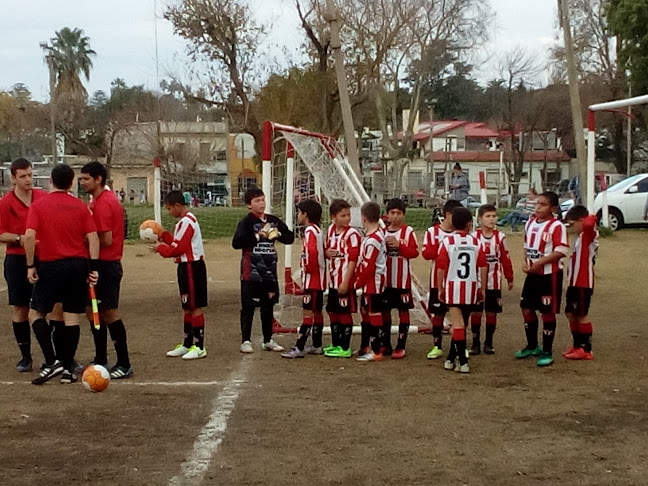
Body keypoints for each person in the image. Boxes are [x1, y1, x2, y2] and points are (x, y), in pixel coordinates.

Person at [25, 164, 100, 385]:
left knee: (35, 314)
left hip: (51, 265)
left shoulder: (39, 206)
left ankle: (52, 361)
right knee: (71, 317)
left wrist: (31, 265)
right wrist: (93, 267)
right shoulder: (80, 206)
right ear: (71, 183)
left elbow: (29, 237)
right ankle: (68, 370)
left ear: (51, 181)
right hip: (77, 266)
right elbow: (93, 238)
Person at [79, 161, 132, 378]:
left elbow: (106, 239)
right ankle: (101, 358)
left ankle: (124, 362)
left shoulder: (104, 203)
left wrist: (82, 238)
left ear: (98, 179)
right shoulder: (98, 201)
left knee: (109, 312)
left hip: (106, 265)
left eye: (86, 179)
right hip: (98, 264)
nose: (82, 182)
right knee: (93, 312)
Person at [232, 187, 294, 353]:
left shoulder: (273, 220)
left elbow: (290, 238)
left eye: (262, 199)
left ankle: (268, 340)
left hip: (269, 273)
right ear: (249, 205)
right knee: (248, 307)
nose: (261, 203)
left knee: (268, 307)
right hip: (250, 273)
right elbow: (236, 242)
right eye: (257, 201)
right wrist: (259, 236)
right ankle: (245, 340)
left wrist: (277, 233)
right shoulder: (247, 222)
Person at [0, 158, 47, 372]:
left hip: (44, 258)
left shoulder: (42, 197)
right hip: (17, 259)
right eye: (23, 176)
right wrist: (21, 239)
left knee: (51, 307)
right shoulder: (5, 203)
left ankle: (56, 355)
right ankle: (25, 356)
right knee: (21, 308)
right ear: (13, 178)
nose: (28, 180)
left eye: (30, 174)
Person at [515, 191, 569, 367]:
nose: (538, 207)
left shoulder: (557, 226)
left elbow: (561, 251)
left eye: (543, 204)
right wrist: (525, 262)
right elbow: (526, 246)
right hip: (533, 274)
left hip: (549, 275)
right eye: (537, 203)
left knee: (547, 312)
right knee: (526, 309)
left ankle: (547, 350)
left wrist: (540, 262)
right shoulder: (530, 222)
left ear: (552, 208)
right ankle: (532, 346)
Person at [153, 190, 208, 360]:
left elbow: (179, 249)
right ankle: (187, 343)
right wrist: (163, 235)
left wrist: (160, 248)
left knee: (195, 306)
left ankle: (199, 346)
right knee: (187, 306)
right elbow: (176, 243)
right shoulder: (181, 223)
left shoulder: (188, 222)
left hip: (192, 267)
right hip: (184, 267)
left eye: (170, 209)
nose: (169, 212)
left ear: (178, 206)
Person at [436, 207, 487, 373]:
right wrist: (482, 288)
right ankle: (451, 358)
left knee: (457, 324)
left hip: (453, 287)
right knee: (462, 325)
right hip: (471, 287)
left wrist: (440, 287)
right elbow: (483, 267)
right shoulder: (476, 242)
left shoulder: (447, 242)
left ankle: (463, 362)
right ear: (469, 223)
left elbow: (441, 268)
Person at [282, 199, 326, 358]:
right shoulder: (318, 230)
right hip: (319, 280)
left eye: (299, 212)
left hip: (312, 279)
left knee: (307, 314)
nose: (297, 215)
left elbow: (312, 253)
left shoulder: (309, 232)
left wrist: (307, 268)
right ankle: (317, 344)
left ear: (305, 214)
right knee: (317, 312)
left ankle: (299, 347)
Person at [469, 204, 514, 355]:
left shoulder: (500, 237)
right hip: (476, 283)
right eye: (488, 216)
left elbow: (505, 258)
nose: (492, 219)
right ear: (480, 219)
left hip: (493, 282)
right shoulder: (473, 237)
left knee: (491, 312)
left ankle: (489, 342)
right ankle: (475, 343)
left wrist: (509, 277)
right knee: (476, 313)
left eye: (494, 216)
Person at [422, 199, 463, 359]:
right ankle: (437, 346)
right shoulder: (432, 232)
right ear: (448, 214)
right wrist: (444, 249)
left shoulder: (461, 234)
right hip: (437, 282)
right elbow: (426, 254)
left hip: (457, 283)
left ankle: (458, 347)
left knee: (458, 316)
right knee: (437, 315)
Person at [323, 199, 361, 358]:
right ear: (334, 217)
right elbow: (327, 250)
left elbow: (353, 259)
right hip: (332, 280)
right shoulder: (331, 230)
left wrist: (346, 281)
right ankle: (336, 343)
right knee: (332, 311)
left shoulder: (352, 234)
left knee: (344, 313)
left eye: (348, 215)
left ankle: (345, 347)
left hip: (344, 281)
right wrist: (326, 253)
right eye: (343, 215)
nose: (347, 219)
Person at [381, 198, 419, 359]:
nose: (395, 216)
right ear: (387, 215)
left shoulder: (408, 231)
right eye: (392, 213)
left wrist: (399, 246)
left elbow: (414, 253)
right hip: (385, 281)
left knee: (403, 311)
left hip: (402, 280)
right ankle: (386, 344)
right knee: (385, 312)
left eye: (399, 213)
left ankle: (401, 346)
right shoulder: (382, 232)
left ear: (403, 215)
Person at [563, 206, 598, 360]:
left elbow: (590, 224)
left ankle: (586, 349)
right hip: (574, 281)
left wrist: (590, 216)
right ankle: (577, 345)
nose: (571, 228)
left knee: (582, 314)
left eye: (573, 224)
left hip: (583, 282)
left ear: (581, 221)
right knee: (570, 313)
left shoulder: (589, 234)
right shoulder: (580, 237)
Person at [355, 202, 387, 362]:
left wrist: (358, 282)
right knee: (365, 312)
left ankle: (376, 350)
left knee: (374, 314)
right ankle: (366, 346)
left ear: (364, 218)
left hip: (373, 282)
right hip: (369, 282)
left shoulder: (374, 239)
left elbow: (369, 265)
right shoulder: (371, 236)